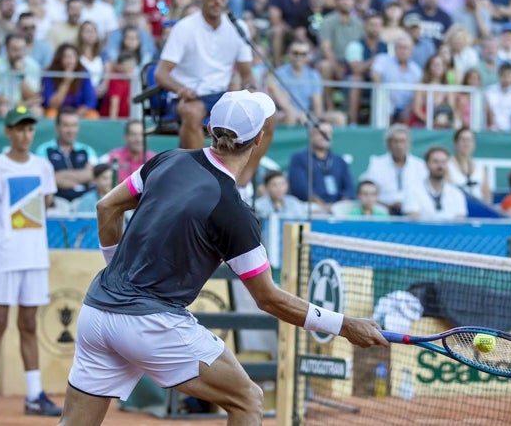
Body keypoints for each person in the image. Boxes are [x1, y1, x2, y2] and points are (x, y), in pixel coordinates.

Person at [57, 90, 387, 426]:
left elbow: (106, 206)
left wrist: (117, 271)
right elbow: (269, 299)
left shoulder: (167, 159)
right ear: (259, 139)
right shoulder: (234, 212)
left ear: (211, 128)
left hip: (96, 312)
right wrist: (344, 325)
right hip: (150, 324)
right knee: (247, 399)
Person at [0, 106, 60, 418]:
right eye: (18, 129)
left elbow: (45, 205)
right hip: (5, 256)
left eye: (28, 129)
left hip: (34, 256)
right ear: (8, 132)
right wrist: (1, 242)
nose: (24, 134)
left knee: (28, 324)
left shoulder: (43, 166)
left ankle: (35, 395)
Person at [154, 0, 271, 188]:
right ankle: (201, 180)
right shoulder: (185, 27)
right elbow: (161, 73)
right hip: (189, 96)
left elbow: (247, 74)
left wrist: (252, 91)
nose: (218, 0)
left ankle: (239, 183)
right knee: (192, 112)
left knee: (268, 114)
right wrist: (181, 89)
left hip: (221, 97)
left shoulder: (238, 27)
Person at [287, 121, 355, 213]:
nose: (325, 137)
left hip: (337, 206)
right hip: (311, 205)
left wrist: (339, 204)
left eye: (328, 134)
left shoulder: (339, 160)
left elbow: (349, 188)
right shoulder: (300, 158)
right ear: (311, 135)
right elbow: (301, 188)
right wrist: (322, 205)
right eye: (321, 133)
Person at [34, 107, 98, 206]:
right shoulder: (44, 150)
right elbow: (46, 180)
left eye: (74, 125)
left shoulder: (87, 150)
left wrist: (60, 176)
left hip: (85, 203)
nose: (70, 130)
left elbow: (92, 175)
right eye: (66, 125)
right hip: (56, 203)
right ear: (57, 127)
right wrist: (81, 180)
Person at [360, 124, 427, 215]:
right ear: (388, 144)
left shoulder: (420, 165)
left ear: (409, 144)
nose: (399, 146)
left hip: (412, 212)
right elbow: (368, 192)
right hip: (384, 210)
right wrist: (386, 206)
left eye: (403, 141)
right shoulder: (377, 164)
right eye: (395, 141)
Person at [403, 145, 467, 221]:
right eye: (435, 161)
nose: (440, 166)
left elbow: (460, 224)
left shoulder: (456, 193)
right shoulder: (413, 191)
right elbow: (413, 222)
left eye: (443, 162)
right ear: (426, 164)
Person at [42, 44, 99, 120]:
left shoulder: (83, 73)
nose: (70, 60)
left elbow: (90, 100)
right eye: (66, 57)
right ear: (59, 59)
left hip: (78, 112)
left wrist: (79, 112)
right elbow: (52, 104)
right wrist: (65, 83)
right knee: (51, 114)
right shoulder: (51, 73)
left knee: (93, 115)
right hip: (58, 112)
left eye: (73, 56)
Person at [447, 126, 490, 203]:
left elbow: (486, 194)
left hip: (478, 209)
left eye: (470, 140)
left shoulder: (480, 166)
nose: (467, 144)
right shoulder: (447, 165)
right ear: (455, 142)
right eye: (463, 140)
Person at [105, 119, 156, 183]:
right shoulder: (115, 156)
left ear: (147, 138)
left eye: (142, 135)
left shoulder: (153, 159)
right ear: (126, 137)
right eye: (134, 134)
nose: (138, 139)